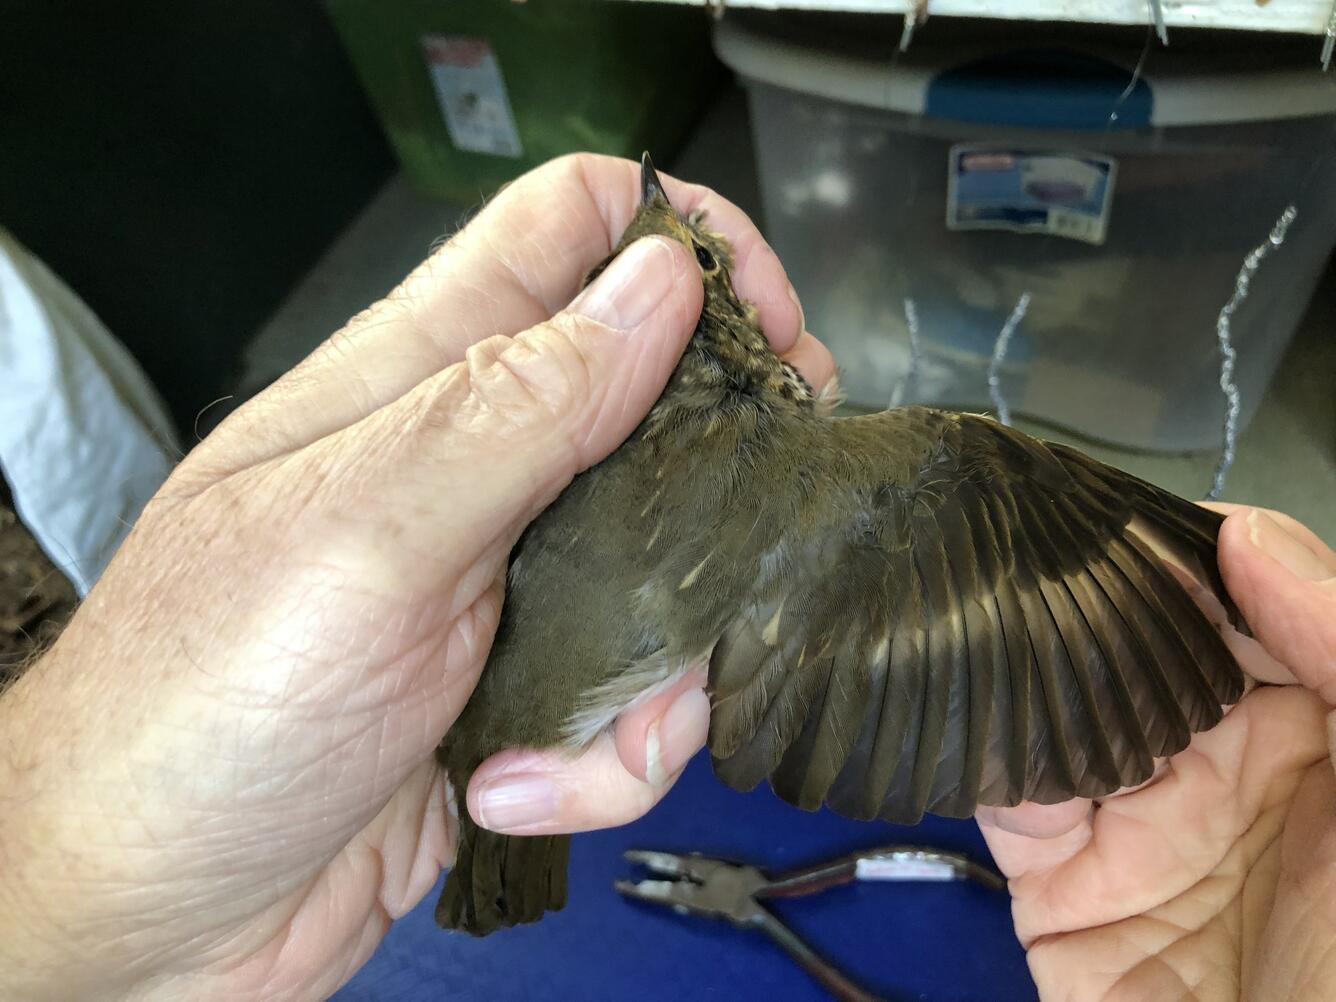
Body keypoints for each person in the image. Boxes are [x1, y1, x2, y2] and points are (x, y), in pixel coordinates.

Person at [0, 154, 1331, 1001]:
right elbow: (1079, 608)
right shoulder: (889, 476)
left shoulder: (535, 439)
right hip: (442, 782)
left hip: (444, 778)